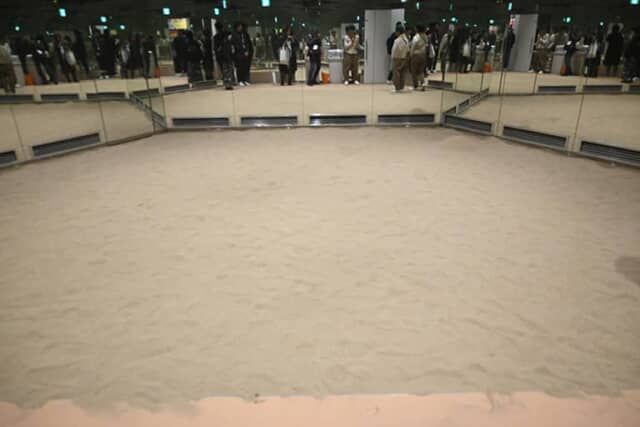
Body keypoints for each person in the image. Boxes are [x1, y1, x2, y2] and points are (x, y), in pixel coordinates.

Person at [214, 22, 235, 89]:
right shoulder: (227, 34)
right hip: (228, 54)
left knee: (224, 70)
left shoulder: (216, 37)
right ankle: (230, 83)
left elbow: (216, 48)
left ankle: (227, 83)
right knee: (229, 69)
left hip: (221, 56)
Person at [390, 25, 410, 92]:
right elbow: (408, 50)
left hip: (397, 58)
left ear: (398, 32)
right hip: (404, 58)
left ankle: (397, 87)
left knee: (396, 73)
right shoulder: (406, 40)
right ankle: (402, 87)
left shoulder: (397, 40)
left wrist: (392, 58)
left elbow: (394, 50)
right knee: (403, 73)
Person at [410, 24, 429, 90]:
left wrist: (411, 55)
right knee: (421, 71)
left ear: (417, 29)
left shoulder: (416, 37)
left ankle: (415, 85)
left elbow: (413, 47)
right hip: (423, 55)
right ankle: (423, 83)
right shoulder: (425, 37)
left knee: (414, 71)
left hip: (416, 55)